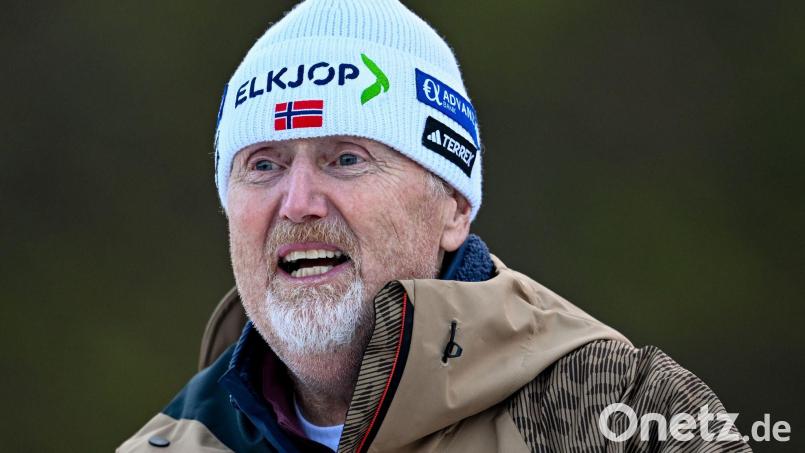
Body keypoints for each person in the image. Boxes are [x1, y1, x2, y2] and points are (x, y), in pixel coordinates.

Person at [119, 0, 750, 451]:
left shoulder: (620, 419)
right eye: (264, 164)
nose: (298, 201)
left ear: (453, 206)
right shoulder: (171, 442)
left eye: (346, 158)